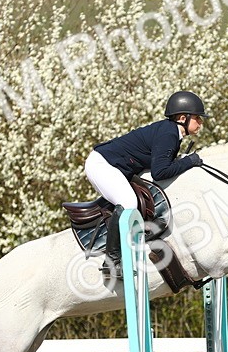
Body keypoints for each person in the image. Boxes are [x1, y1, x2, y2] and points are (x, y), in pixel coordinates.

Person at [85, 90, 208, 279]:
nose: (200, 122)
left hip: (113, 166)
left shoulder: (170, 132)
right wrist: (189, 161)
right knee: (128, 202)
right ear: (183, 117)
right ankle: (112, 262)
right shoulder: (169, 134)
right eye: (198, 118)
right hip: (102, 165)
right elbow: (160, 173)